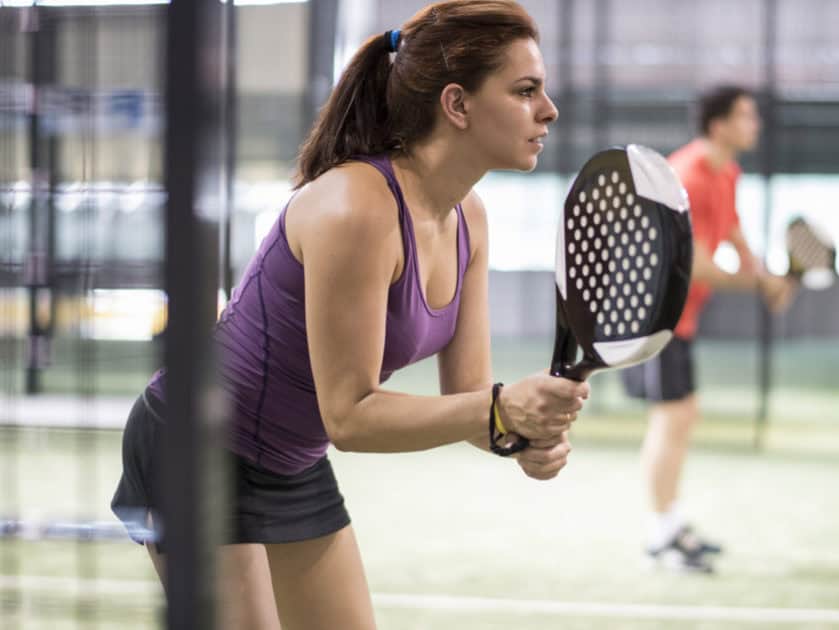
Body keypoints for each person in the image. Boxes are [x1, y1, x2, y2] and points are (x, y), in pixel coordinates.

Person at [110, 2, 586, 628]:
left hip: (290, 461)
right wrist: (500, 410)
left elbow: (468, 399)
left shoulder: (469, 217)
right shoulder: (356, 207)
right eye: (525, 91)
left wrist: (515, 436)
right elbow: (351, 417)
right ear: (457, 105)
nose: (548, 109)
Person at [620, 85, 795, 574]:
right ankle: (661, 539)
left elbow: (733, 229)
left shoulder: (727, 171)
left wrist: (762, 275)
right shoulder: (688, 176)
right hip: (653, 313)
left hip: (681, 314)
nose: (755, 124)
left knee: (681, 416)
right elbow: (695, 264)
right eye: (745, 116)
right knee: (672, 417)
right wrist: (759, 284)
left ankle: (671, 525)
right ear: (718, 126)